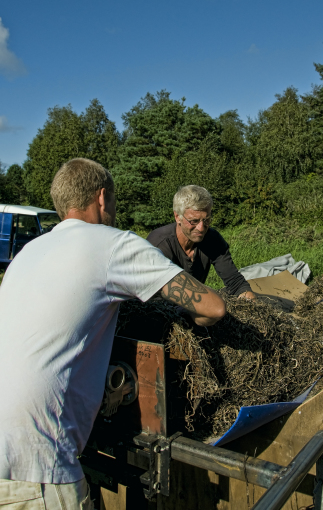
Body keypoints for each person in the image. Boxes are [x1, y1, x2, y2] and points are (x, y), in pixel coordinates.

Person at [0, 159, 225, 509]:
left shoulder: (27, 253)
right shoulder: (112, 244)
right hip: (36, 465)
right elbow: (213, 307)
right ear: (102, 198)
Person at [147, 185, 256, 300]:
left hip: (194, 302)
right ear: (177, 217)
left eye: (206, 220)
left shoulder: (212, 239)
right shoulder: (159, 245)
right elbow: (152, 296)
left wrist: (250, 300)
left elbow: (235, 283)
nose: (201, 228)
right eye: (193, 221)